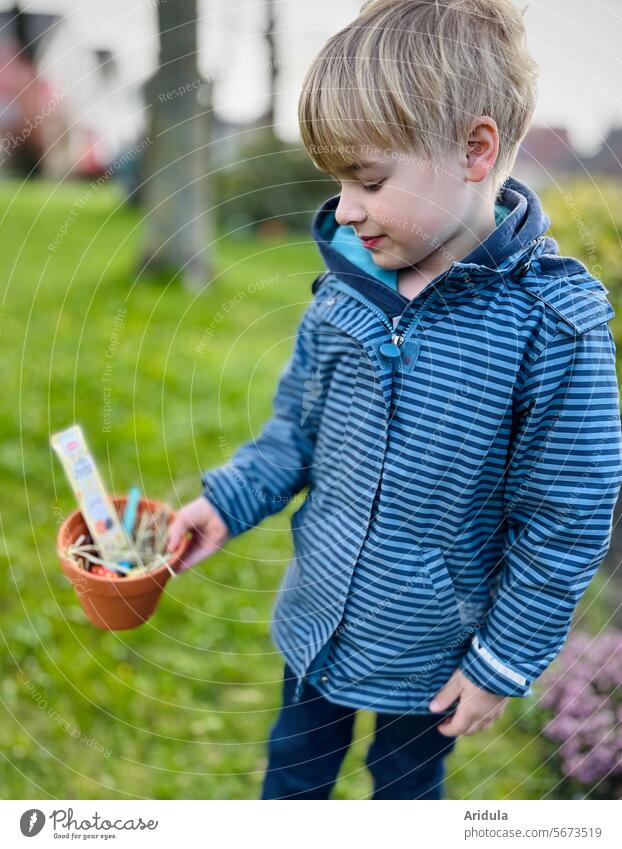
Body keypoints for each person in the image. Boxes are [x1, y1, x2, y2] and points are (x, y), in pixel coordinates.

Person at [167, 0, 622, 799]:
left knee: (405, 798)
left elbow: (567, 517)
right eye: (339, 181)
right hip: (318, 621)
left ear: (476, 150)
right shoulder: (345, 292)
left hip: (433, 649)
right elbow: (294, 433)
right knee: (292, 780)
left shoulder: (552, 329)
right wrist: (227, 502)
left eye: (370, 180)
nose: (345, 207)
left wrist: (501, 660)